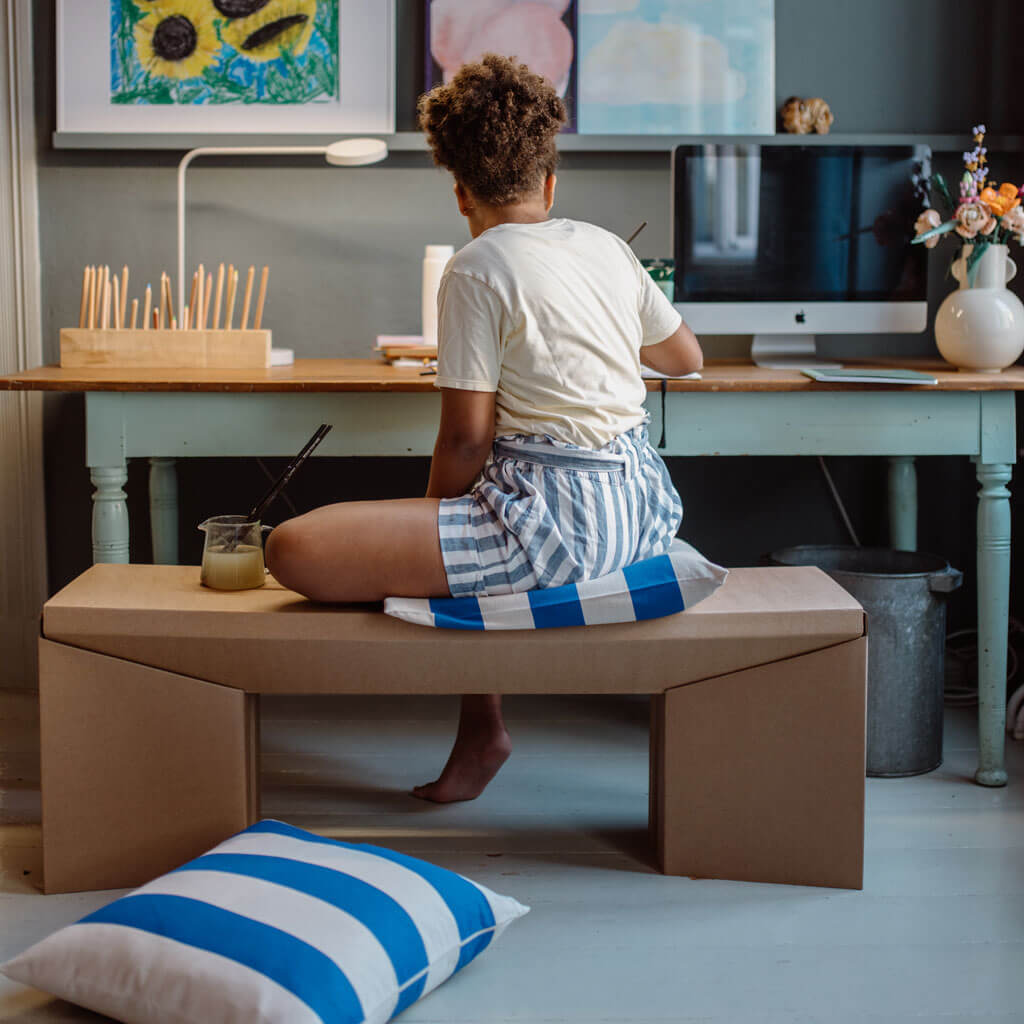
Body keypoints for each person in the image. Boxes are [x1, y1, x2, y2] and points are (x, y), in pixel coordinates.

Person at [265, 53, 703, 804]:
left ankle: (481, 725)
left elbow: (466, 440)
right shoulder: (607, 245)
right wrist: (593, 321)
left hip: (561, 524)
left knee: (291, 546)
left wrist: (430, 516)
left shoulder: (475, 266)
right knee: (458, 541)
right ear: (551, 182)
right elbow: (684, 356)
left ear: (460, 193)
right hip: (642, 509)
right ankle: (482, 727)